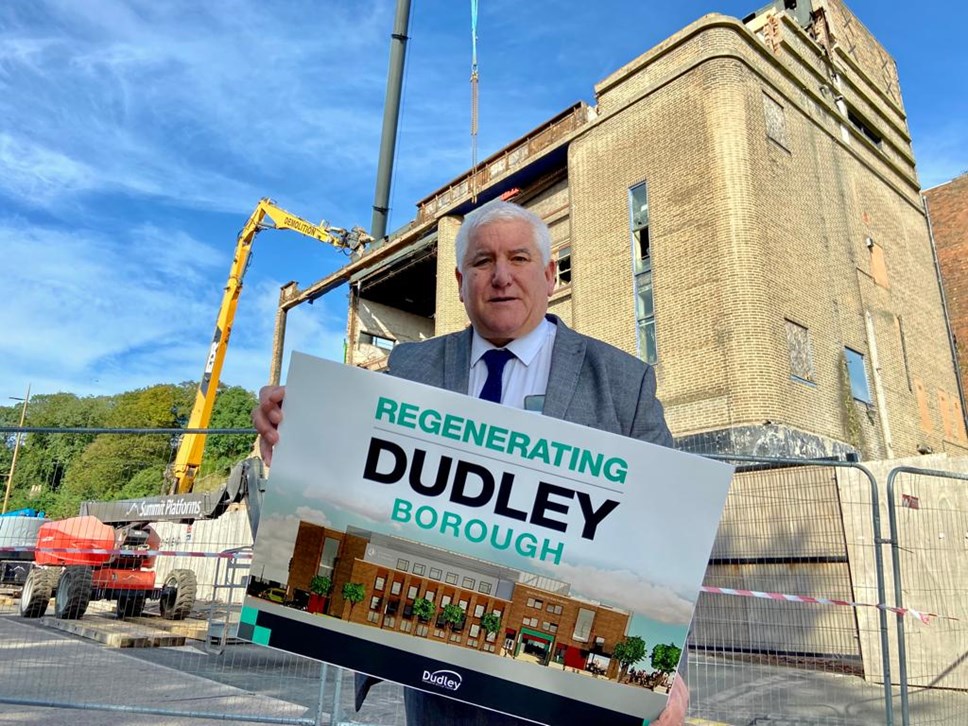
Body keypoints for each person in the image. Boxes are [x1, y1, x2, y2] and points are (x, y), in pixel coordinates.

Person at [253, 201, 688, 725]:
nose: (501, 276)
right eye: (483, 262)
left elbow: (670, 529)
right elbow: (350, 476)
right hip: (438, 691)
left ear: (550, 275)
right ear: (460, 282)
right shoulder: (409, 370)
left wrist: (658, 669)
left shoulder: (623, 383)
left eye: (519, 258)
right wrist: (289, 441)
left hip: (569, 701)